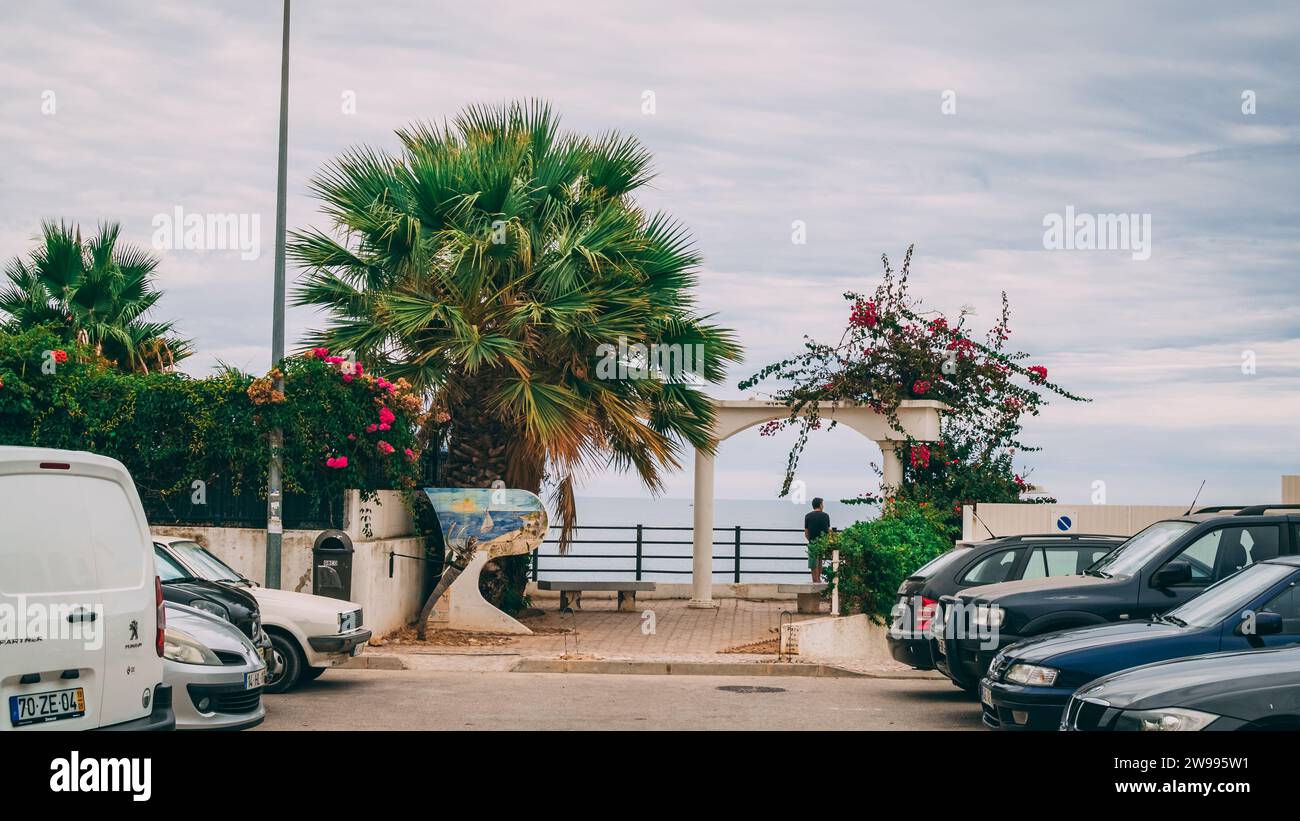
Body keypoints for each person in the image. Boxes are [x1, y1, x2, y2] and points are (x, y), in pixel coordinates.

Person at [804, 498, 831, 582]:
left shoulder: (808, 516)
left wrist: (811, 540)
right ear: (820, 505)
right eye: (822, 504)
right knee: (819, 561)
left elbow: (806, 532)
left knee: (813, 563)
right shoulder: (825, 516)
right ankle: (818, 579)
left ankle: (814, 580)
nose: (823, 506)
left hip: (812, 542)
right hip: (822, 543)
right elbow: (828, 531)